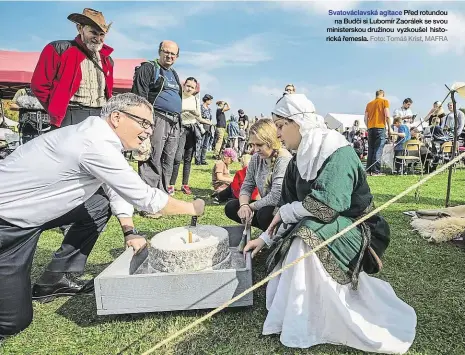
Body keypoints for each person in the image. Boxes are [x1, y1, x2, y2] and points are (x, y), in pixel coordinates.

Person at [0, 93, 205, 338]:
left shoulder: (99, 139)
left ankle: (55, 279)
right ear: (117, 117)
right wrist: (192, 208)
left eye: (151, 125)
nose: (149, 131)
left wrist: (129, 231)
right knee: (13, 322)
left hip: (28, 213)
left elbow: (113, 189)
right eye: (144, 123)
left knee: (98, 205)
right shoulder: (94, 144)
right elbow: (146, 198)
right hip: (9, 223)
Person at [243, 93, 416, 353]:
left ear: (297, 123)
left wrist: (290, 211)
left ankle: (316, 312)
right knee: (303, 231)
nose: (277, 135)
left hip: (360, 230)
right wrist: (265, 239)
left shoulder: (337, 151)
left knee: (305, 234)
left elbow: (325, 207)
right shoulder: (297, 159)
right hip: (322, 223)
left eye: (280, 126)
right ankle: (302, 308)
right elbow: (284, 207)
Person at [31, 8, 114, 129]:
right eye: (93, 33)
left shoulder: (108, 60)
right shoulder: (58, 49)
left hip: (99, 116)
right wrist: (56, 109)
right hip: (70, 114)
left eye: (102, 34)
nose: (98, 38)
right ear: (80, 28)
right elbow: (39, 85)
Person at [131, 40, 183, 194]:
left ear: (177, 57)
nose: (169, 56)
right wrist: (144, 124)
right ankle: (148, 198)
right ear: (159, 51)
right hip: (157, 118)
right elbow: (139, 96)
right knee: (152, 156)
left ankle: (163, 195)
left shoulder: (173, 73)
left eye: (173, 54)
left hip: (174, 121)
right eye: (166, 52)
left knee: (169, 159)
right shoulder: (149, 68)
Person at [225, 119, 292, 231]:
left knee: (265, 213)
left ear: (271, 141)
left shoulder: (283, 159)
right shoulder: (256, 158)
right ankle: (268, 232)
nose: (255, 149)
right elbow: (247, 185)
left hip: (284, 209)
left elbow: (276, 196)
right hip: (267, 206)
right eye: (252, 145)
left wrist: (250, 207)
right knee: (231, 207)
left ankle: (277, 236)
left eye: (259, 145)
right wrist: (244, 206)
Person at [169, 77, 212, 195]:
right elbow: (175, 111)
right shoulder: (178, 96)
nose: (189, 89)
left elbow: (197, 116)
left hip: (192, 129)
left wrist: (205, 121)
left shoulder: (196, 99)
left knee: (188, 158)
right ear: (184, 85)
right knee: (177, 158)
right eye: (188, 86)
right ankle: (171, 184)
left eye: (192, 87)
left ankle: (185, 184)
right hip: (181, 128)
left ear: (195, 89)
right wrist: (187, 110)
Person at [364, 89, 391, 176]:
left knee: (371, 149)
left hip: (371, 128)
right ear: (383, 94)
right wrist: (389, 128)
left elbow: (365, 118)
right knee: (378, 149)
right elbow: (387, 115)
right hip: (380, 127)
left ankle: (368, 170)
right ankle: (376, 171)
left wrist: (368, 127)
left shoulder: (369, 104)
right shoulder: (384, 101)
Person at [195, 94, 214, 165]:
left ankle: (203, 159)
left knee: (205, 144)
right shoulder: (200, 107)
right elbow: (198, 118)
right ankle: (197, 159)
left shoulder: (209, 109)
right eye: (210, 100)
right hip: (202, 127)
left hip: (208, 127)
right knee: (200, 143)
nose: (211, 102)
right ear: (207, 100)